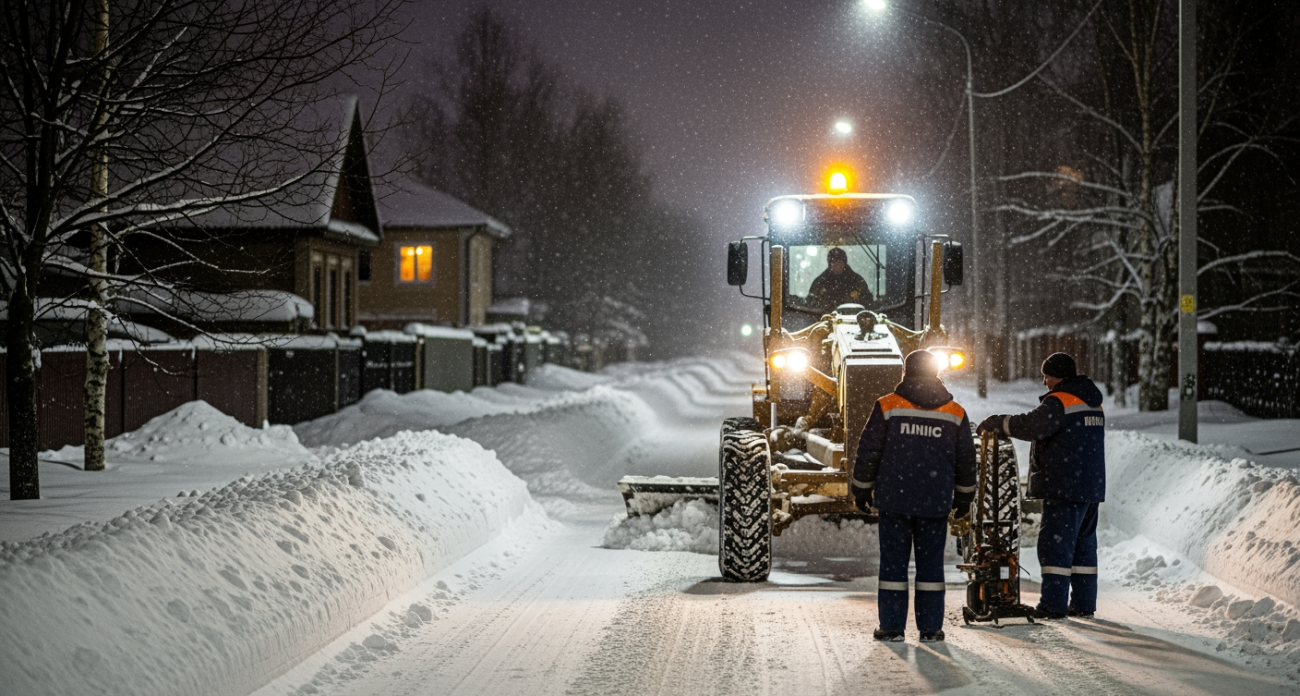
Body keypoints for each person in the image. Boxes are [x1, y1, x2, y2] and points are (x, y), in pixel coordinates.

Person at [852, 350, 977, 642]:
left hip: (895, 500)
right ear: (936, 373)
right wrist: (963, 497)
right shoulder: (955, 412)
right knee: (931, 567)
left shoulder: (887, 405)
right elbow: (966, 459)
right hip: (934, 502)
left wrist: (861, 488)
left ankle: (892, 627)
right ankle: (930, 629)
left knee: (893, 566)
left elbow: (869, 450)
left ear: (905, 372)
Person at [977, 352, 1105, 620]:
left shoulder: (1060, 401)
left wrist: (999, 423)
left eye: (1046, 376)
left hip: (1065, 486)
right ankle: (1083, 604)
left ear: (1057, 376)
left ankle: (1052, 606)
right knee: (1083, 548)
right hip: (1090, 485)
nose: (1044, 382)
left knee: (1055, 547)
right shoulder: (1091, 400)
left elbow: (1032, 425)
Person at [806, 247, 873, 311]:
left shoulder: (857, 281)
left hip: (853, 317)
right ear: (830, 264)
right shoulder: (820, 282)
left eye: (840, 262)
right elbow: (810, 305)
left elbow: (868, 302)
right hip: (824, 318)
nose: (837, 265)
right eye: (834, 262)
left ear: (844, 263)